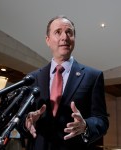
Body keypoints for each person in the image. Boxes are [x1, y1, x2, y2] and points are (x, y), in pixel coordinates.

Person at [22, 15, 109, 150]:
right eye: (58, 32)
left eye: (69, 32)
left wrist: (86, 125)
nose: (65, 37)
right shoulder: (32, 78)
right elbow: (20, 119)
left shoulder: (93, 76)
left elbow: (101, 120)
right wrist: (26, 121)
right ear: (48, 40)